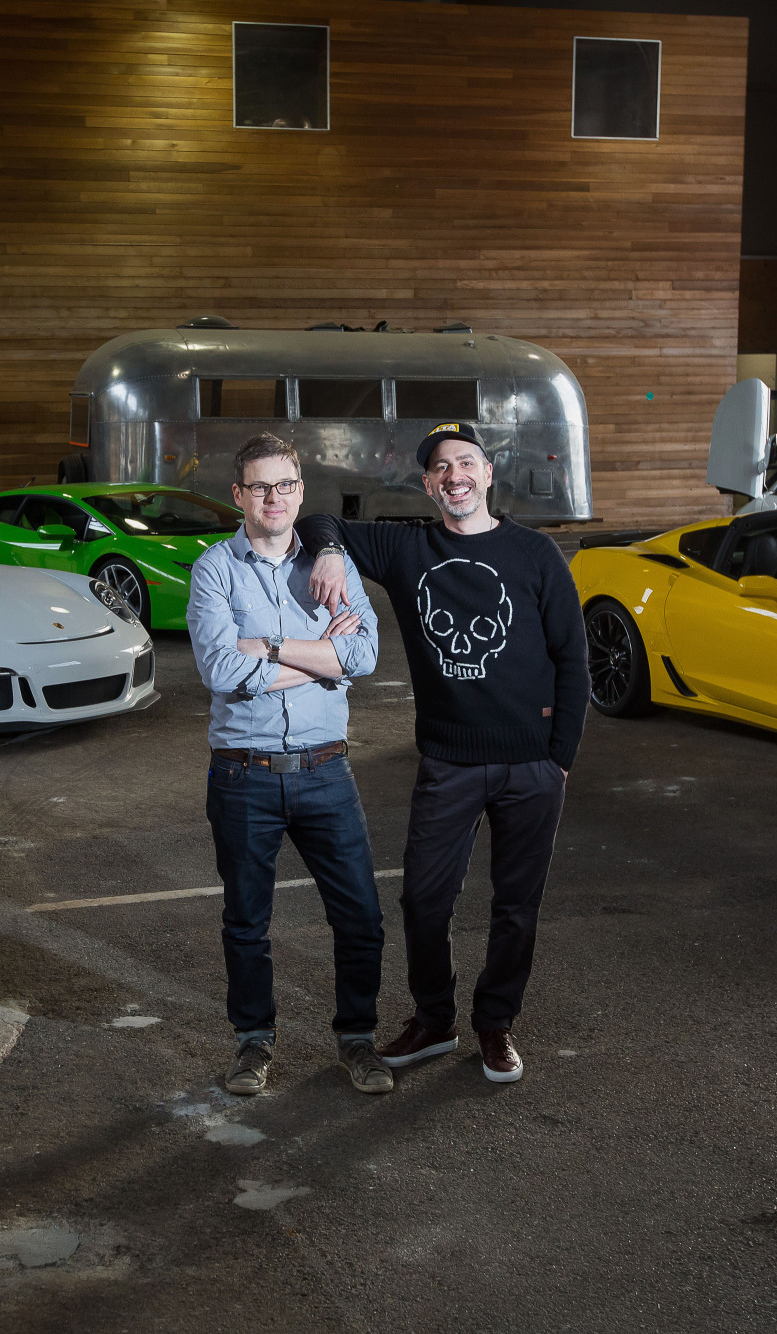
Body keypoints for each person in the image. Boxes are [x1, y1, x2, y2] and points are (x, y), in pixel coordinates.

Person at [297, 422, 587, 1083]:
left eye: (465, 462)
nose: (453, 474)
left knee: (517, 905)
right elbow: (317, 518)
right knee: (423, 900)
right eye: (439, 468)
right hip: (449, 762)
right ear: (428, 486)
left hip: (531, 766)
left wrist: (558, 756)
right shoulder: (407, 549)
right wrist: (334, 553)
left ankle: (495, 1023)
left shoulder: (536, 554)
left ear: (488, 474)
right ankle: (435, 1018)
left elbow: (572, 655)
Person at [187, 433, 391, 1096]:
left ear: (301, 492)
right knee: (247, 920)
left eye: (285, 485)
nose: (273, 497)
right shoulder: (215, 568)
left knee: (360, 914)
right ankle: (253, 1044)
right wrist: (314, 658)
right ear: (239, 495)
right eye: (259, 486)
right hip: (243, 775)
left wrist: (268, 648)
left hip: (327, 771)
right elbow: (221, 669)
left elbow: (363, 659)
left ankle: (357, 1039)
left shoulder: (332, 569)